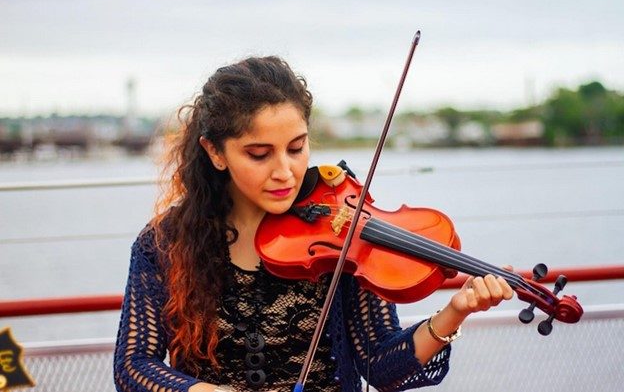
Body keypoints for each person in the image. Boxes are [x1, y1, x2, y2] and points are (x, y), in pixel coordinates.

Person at [113, 56, 514, 392]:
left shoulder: (343, 231)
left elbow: (381, 366)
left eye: (296, 148)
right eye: (259, 154)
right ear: (215, 152)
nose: (285, 172)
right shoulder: (165, 242)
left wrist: (455, 312)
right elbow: (133, 367)